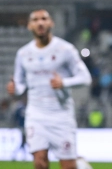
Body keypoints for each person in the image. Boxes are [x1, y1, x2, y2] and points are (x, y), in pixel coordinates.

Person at [7, 9, 92, 169]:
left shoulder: (66, 49)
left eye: (44, 19)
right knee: (39, 161)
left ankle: (80, 164)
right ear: (29, 26)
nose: (40, 22)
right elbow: (20, 85)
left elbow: (85, 78)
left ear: (51, 23)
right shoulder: (23, 53)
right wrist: (14, 89)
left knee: (68, 166)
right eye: (36, 19)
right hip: (36, 115)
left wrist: (64, 83)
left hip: (61, 116)